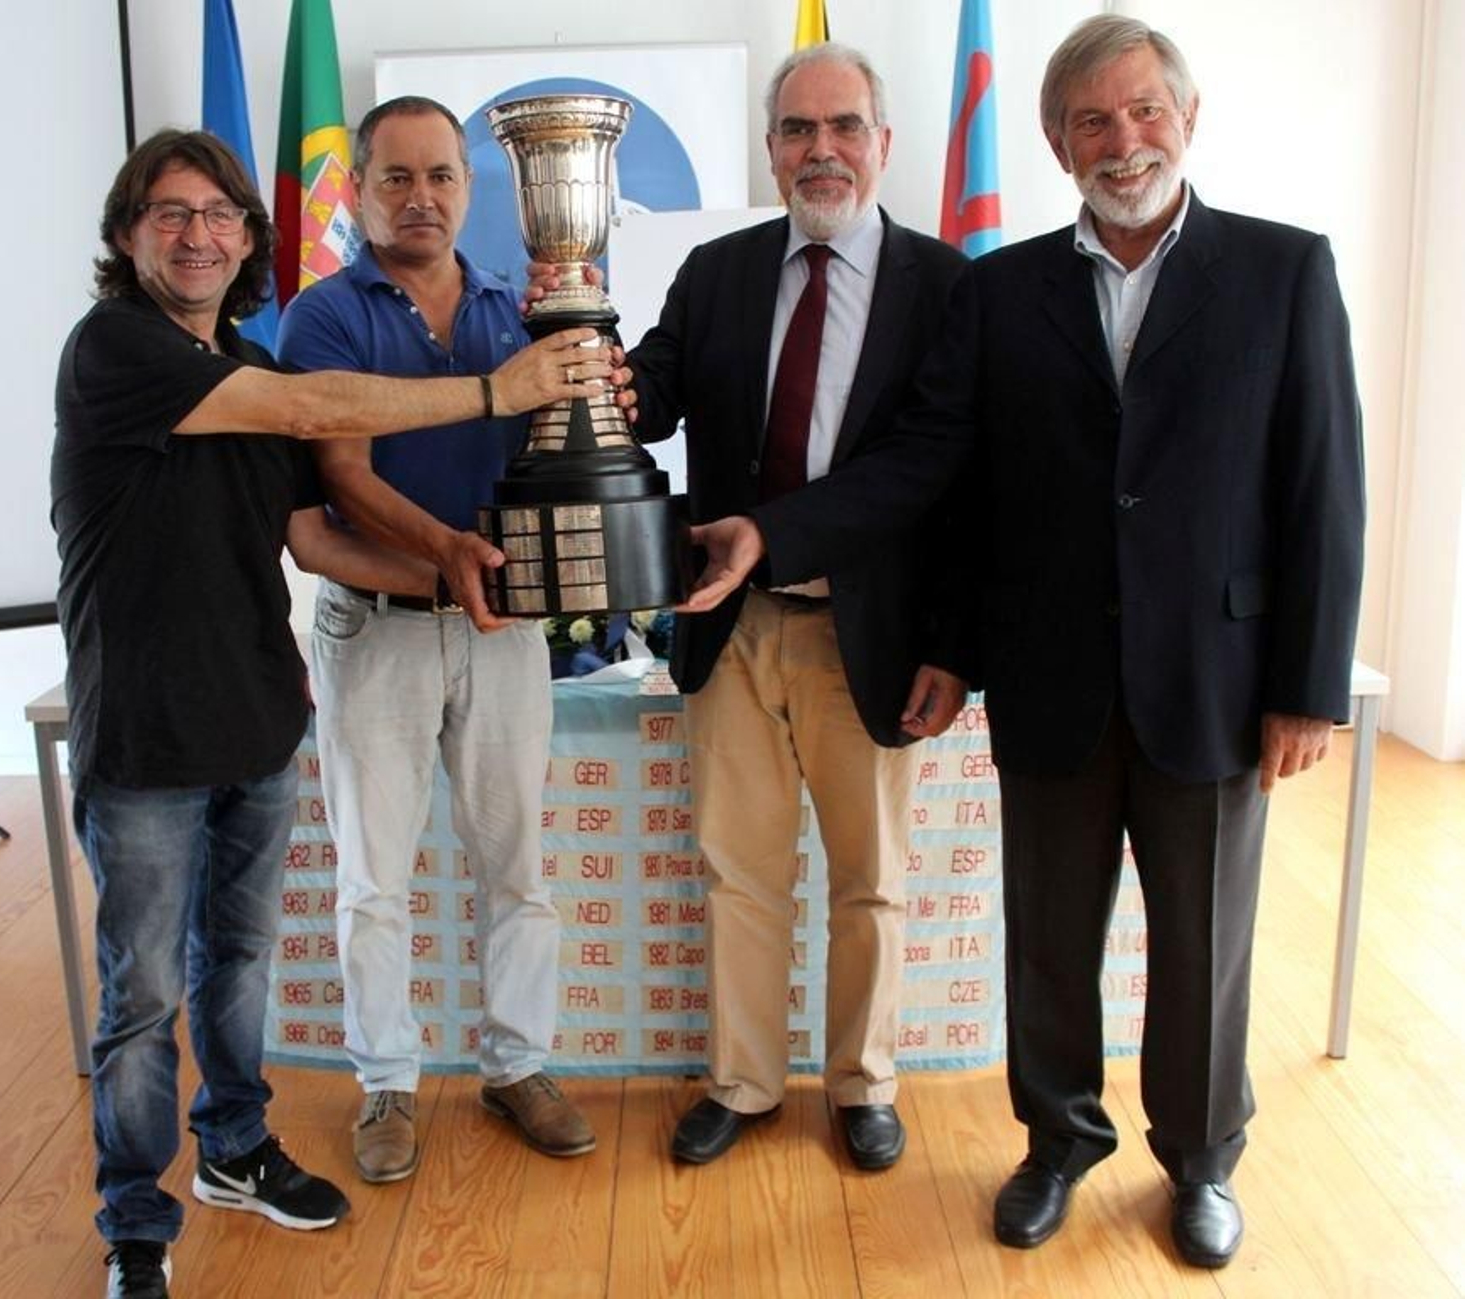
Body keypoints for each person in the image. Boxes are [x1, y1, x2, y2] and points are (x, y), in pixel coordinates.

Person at [53, 128, 608, 1299]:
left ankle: (239, 1149)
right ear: (125, 235)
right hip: (145, 733)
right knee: (144, 992)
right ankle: (136, 1221)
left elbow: (308, 533)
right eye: (170, 214)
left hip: (258, 717)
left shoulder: (247, 353)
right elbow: (319, 422)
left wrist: (481, 578)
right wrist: (492, 391)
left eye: (219, 215)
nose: (198, 235)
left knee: (240, 962)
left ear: (249, 237)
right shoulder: (116, 349)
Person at [930, 15, 1363, 1269]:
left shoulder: (1285, 271)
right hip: (1052, 675)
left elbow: (1322, 492)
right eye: (1091, 121)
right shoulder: (1000, 290)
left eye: (1143, 112)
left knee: (1205, 943)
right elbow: (970, 495)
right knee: (1050, 937)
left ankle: (1202, 1160)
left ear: (1187, 117)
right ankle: (1057, 1140)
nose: (1123, 141)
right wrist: (953, 648)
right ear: (1060, 144)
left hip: (1219, 687)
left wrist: (1307, 688)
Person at [588, 43, 977, 1170]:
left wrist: (947, 641)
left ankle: (862, 1085)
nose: (822, 151)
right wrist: (595, 361)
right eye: (798, 131)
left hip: (874, 636)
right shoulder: (717, 271)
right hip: (733, 626)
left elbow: (937, 471)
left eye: (843, 127)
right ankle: (746, 1082)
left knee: (870, 883)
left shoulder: (947, 287)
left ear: (882, 144)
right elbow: (652, 397)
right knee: (740, 872)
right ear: (770, 151)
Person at [276, 96, 597, 1183]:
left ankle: (518, 1066)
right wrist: (450, 560)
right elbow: (342, 476)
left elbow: (563, 457)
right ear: (359, 191)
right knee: (374, 877)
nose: (421, 198)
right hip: (378, 633)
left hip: (503, 633)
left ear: (472, 189)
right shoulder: (321, 316)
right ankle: (385, 1087)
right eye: (397, 178)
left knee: (519, 866)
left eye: (442, 177)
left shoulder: (521, 307)